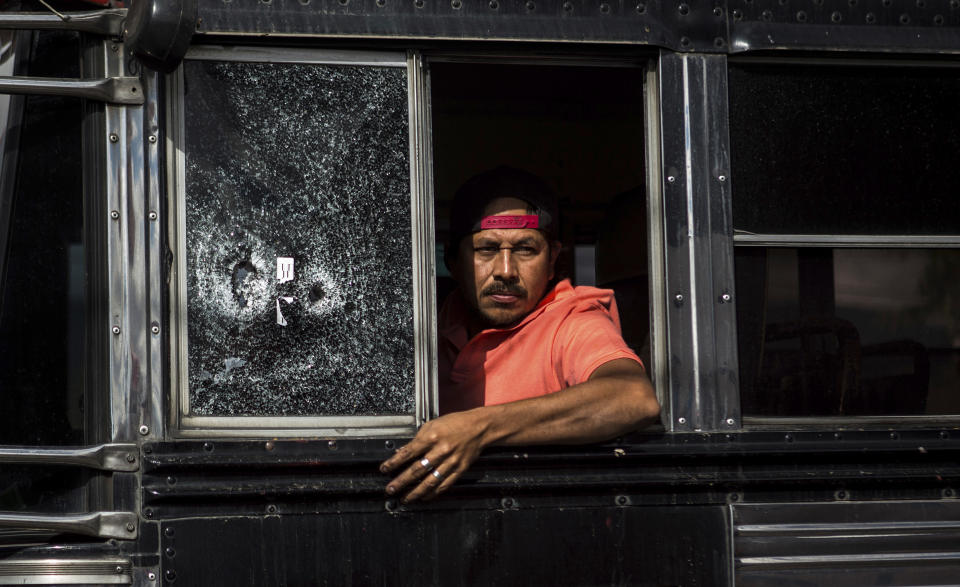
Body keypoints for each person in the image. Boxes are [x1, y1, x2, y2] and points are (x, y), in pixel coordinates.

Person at [380, 167, 660, 502]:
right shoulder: (422, 320)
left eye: (525, 249)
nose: (506, 271)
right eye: (486, 249)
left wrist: (479, 428)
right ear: (453, 261)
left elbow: (632, 398)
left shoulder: (572, 319)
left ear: (553, 259)